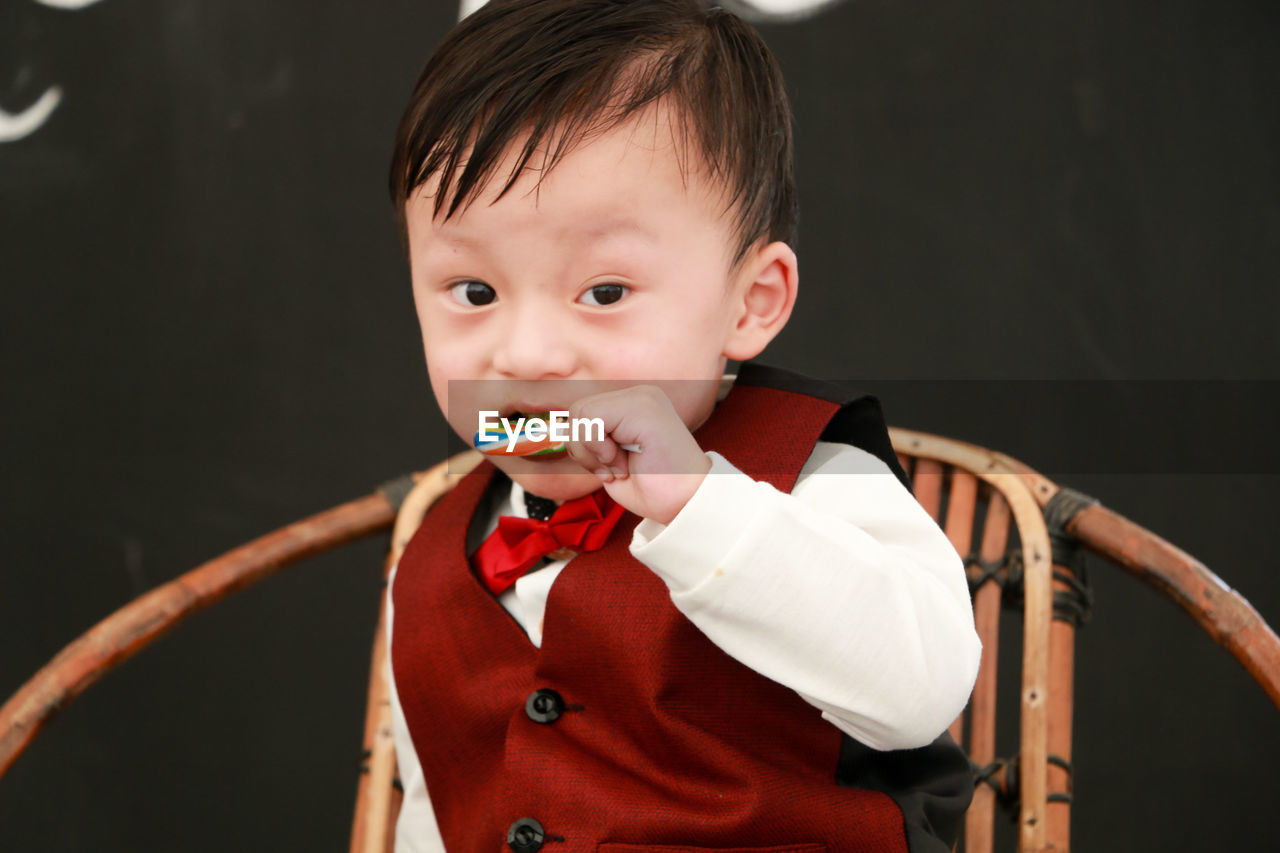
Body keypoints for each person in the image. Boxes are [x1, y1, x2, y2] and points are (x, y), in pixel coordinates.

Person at [383, 1, 981, 851]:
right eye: (473, 293)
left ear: (750, 301)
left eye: (605, 291)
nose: (529, 352)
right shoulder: (432, 558)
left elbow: (924, 687)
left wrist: (703, 504)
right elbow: (435, 808)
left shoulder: (814, 474)